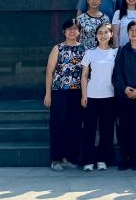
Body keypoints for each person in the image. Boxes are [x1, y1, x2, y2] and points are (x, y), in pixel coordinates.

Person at [44, 18, 84, 171]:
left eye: (75, 28)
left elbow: (86, 73)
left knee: (73, 126)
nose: (72, 31)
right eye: (69, 29)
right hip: (59, 91)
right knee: (57, 125)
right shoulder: (58, 48)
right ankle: (56, 159)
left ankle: (68, 157)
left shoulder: (84, 49)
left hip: (77, 92)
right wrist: (48, 94)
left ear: (79, 32)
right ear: (64, 31)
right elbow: (49, 72)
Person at [113, 20, 136, 171]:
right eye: (131, 30)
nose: (134, 32)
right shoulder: (123, 50)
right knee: (124, 127)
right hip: (124, 96)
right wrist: (124, 88)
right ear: (127, 33)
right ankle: (125, 157)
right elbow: (117, 72)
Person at [79, 23, 117, 171]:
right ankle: (88, 160)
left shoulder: (116, 52)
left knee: (106, 130)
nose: (103, 35)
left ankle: (102, 159)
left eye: (106, 32)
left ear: (111, 34)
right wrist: (84, 95)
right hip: (91, 96)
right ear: (96, 35)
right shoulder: (90, 53)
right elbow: (84, 76)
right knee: (89, 130)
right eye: (100, 33)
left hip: (109, 96)